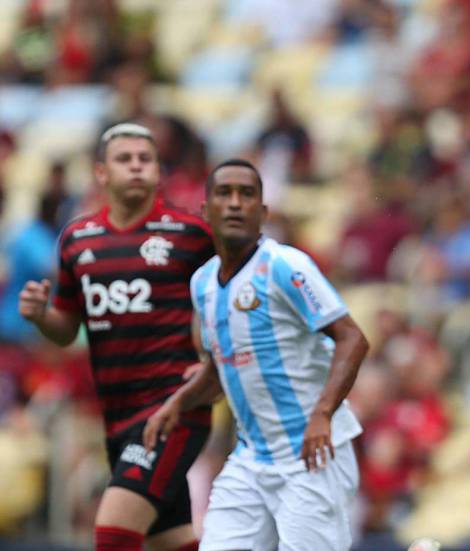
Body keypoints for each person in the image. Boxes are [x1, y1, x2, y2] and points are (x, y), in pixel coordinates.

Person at [143, 159, 370, 551]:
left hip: (312, 453)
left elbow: (352, 338)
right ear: (206, 210)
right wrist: (177, 404)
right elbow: (221, 368)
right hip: (252, 458)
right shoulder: (202, 284)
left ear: (262, 212)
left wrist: (322, 414)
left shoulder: (285, 265)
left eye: (246, 194)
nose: (235, 203)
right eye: (224, 193)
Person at [18, 123, 215, 551]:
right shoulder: (77, 240)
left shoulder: (191, 235)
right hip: (117, 417)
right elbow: (67, 329)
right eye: (125, 159)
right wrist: (41, 316)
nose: (137, 167)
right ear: (101, 173)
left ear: (159, 171)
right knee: (172, 541)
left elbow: (235, 295)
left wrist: (214, 364)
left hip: (173, 411)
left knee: (113, 533)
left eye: (146, 159)